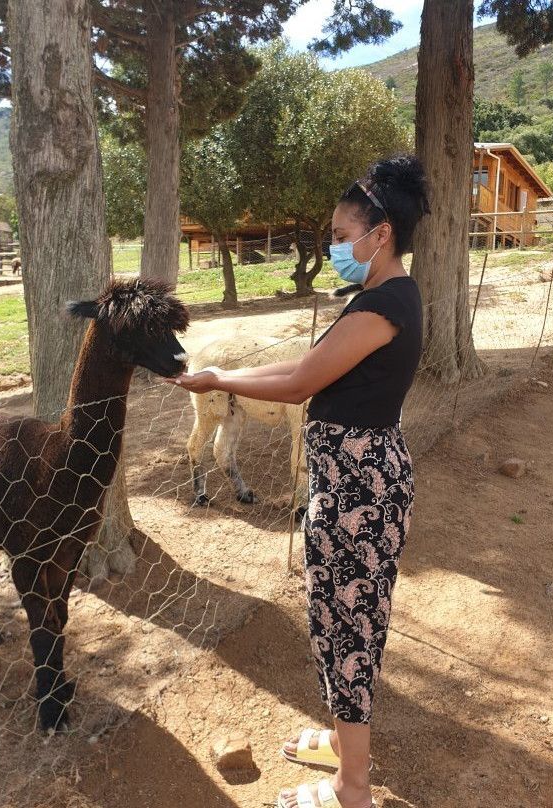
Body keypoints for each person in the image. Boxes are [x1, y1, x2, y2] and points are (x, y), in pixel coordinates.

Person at [167, 154, 429, 808]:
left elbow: (301, 383)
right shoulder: (381, 298)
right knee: (335, 616)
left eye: (342, 236)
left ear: (381, 235)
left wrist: (220, 379)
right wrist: (223, 372)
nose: (334, 247)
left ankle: (352, 787)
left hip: (358, 490)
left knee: (349, 628)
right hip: (352, 481)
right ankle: (346, 746)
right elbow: (307, 364)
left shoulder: (386, 302)